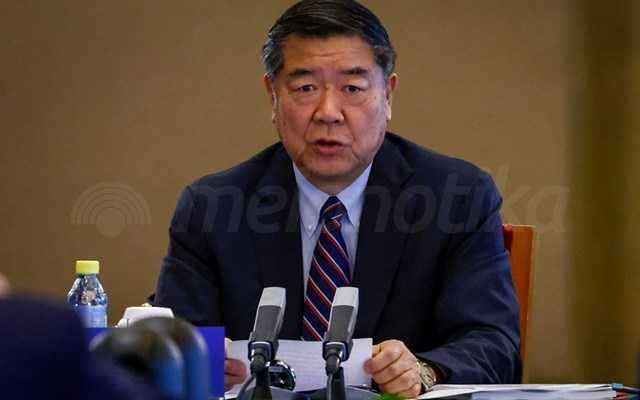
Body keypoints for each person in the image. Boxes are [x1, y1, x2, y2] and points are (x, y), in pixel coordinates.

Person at [153, 0, 520, 397]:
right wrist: (201, 362)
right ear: (273, 95)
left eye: (353, 88)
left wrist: (424, 370)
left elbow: (493, 343)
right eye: (305, 88)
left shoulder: (458, 197)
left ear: (387, 94)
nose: (328, 112)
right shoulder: (211, 207)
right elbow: (169, 344)